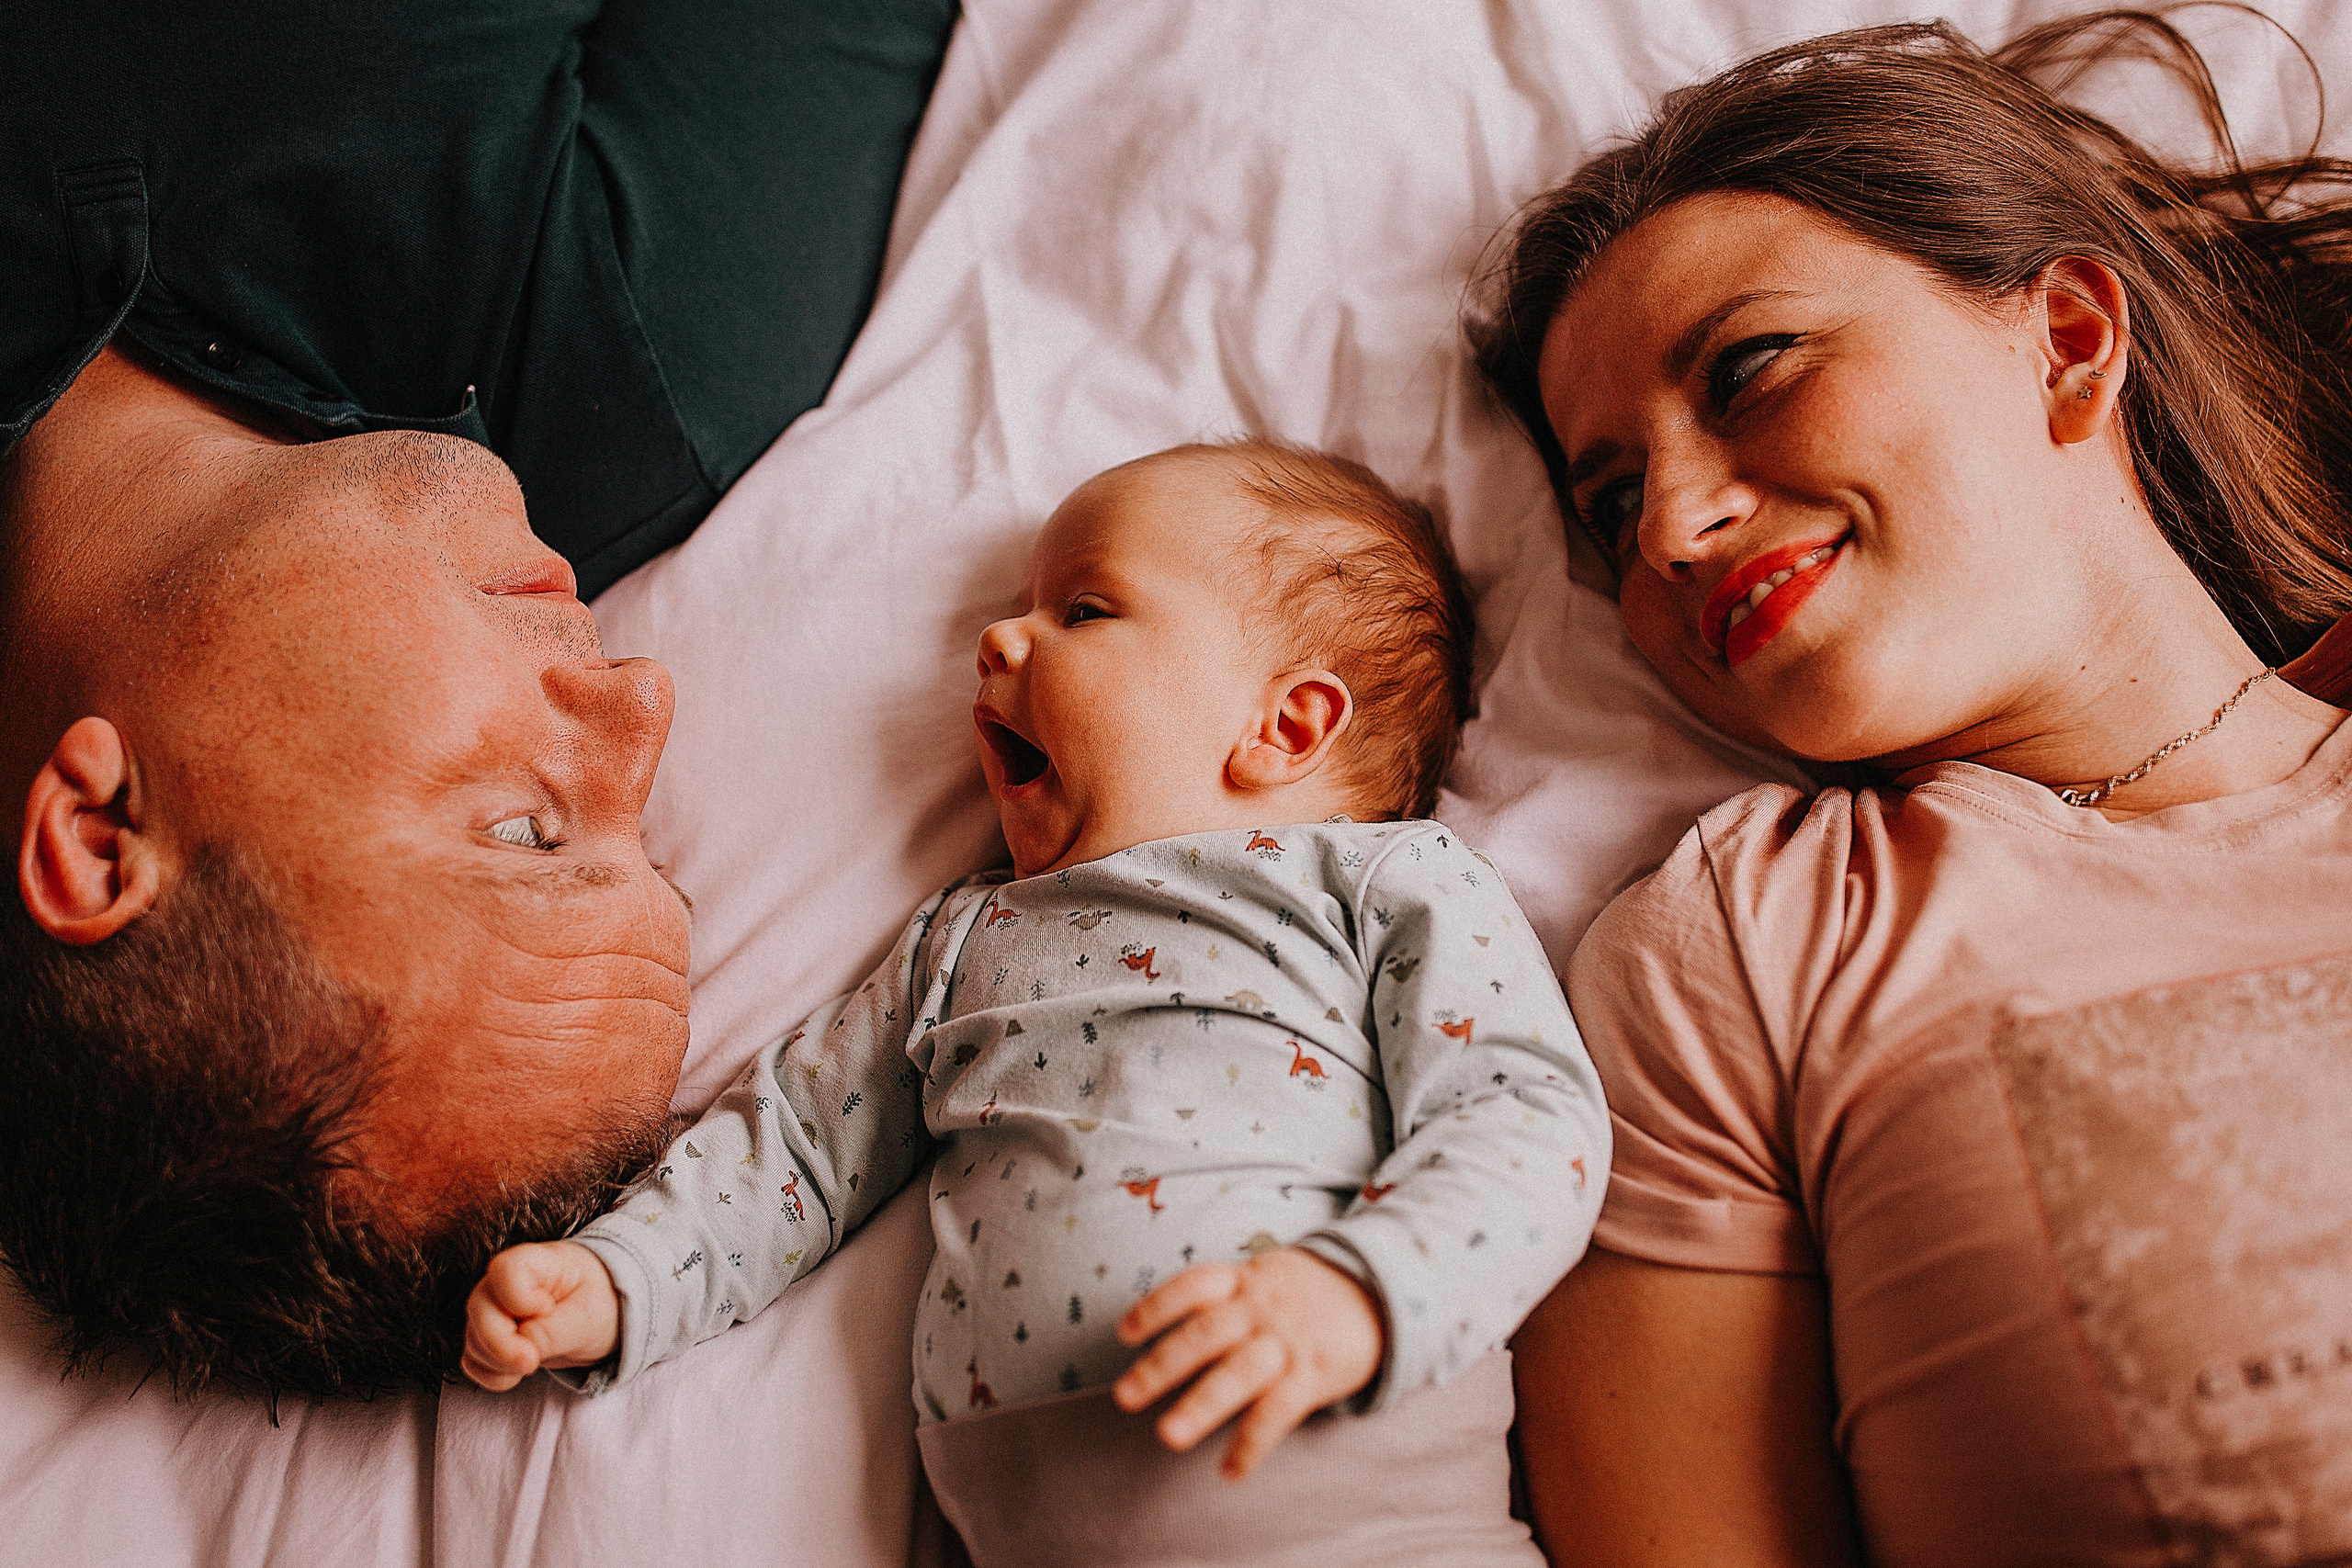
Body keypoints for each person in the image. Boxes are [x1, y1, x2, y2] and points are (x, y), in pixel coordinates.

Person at [1470, 13, 2352, 1565]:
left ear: (2070, 341)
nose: (1668, 528)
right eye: (1612, 501)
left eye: (1749, 372)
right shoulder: (1741, 952)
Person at [0, 0, 959, 1397]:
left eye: (525, 834)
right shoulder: (638, 344)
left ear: (97, 834)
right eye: (648, 844)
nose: (638, 700)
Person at [458, 442, 1607, 1568]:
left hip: (1369, 1517)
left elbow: (1523, 1118)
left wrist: (1361, 1292)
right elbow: (799, 1148)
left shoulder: (1382, 883)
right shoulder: (962, 939)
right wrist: (625, 1276)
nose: (997, 641)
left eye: (1086, 611)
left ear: (1286, 728)